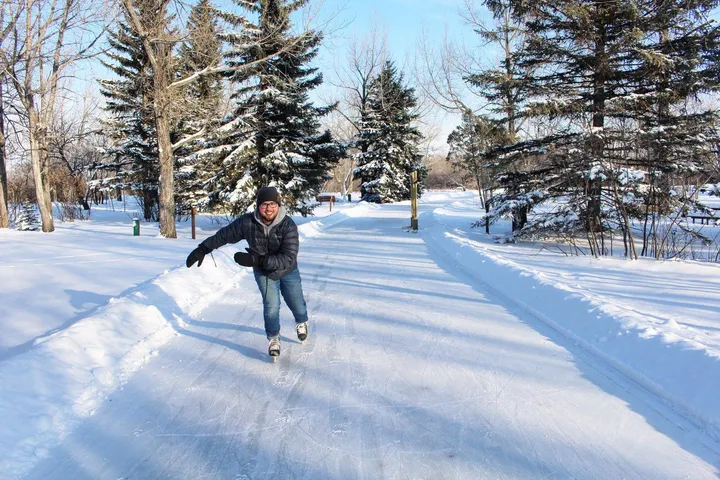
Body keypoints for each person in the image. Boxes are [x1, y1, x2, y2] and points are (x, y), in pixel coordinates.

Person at [185, 187, 309, 358]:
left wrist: (258, 260)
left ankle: (301, 321)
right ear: (258, 206)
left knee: (296, 303)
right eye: (264, 204)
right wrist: (204, 248)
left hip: (288, 270)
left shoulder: (287, 225)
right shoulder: (247, 222)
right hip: (264, 273)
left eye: (272, 204)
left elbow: (288, 257)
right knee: (271, 306)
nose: (269, 208)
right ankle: (273, 338)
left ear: (278, 205)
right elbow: (224, 235)